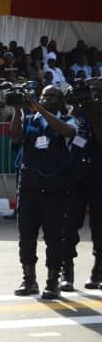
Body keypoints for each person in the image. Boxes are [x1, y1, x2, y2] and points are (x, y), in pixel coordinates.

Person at [10, 85, 78, 299]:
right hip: (29, 187)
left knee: (54, 237)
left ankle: (52, 282)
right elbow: (15, 137)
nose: (46, 99)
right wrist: (17, 111)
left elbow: (68, 132)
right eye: (43, 96)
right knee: (26, 236)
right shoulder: (31, 119)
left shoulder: (68, 119)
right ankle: (29, 280)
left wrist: (40, 108)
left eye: (51, 96)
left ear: (59, 101)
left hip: (54, 189)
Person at [68, 79, 102, 289]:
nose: (95, 95)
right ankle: (66, 269)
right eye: (92, 92)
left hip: (99, 175)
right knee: (69, 224)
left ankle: (98, 271)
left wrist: (91, 110)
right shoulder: (77, 112)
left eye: (99, 92)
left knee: (99, 227)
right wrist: (73, 104)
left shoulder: (91, 112)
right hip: (76, 175)